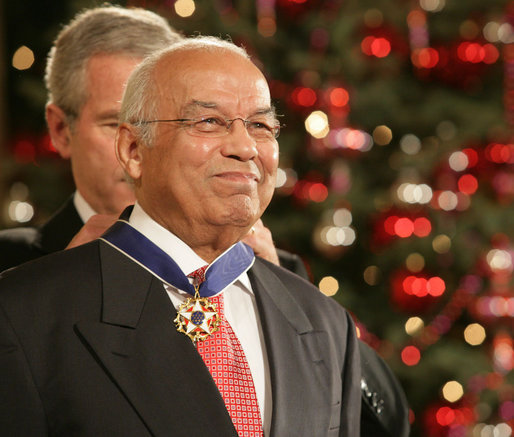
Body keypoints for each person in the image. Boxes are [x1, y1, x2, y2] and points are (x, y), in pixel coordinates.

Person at [0, 6, 409, 436]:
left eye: (260, 124)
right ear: (134, 148)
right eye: (208, 121)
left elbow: (380, 419)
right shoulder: (24, 300)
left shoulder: (309, 307)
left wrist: (292, 294)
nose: (243, 147)